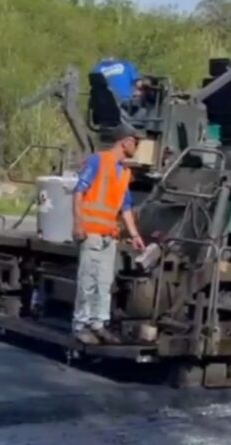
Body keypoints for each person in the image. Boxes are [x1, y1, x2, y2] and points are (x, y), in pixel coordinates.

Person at [72, 124, 146, 345]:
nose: (138, 147)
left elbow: (125, 208)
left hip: (109, 237)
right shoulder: (98, 161)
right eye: (136, 142)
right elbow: (79, 192)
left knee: (104, 283)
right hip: (92, 233)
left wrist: (134, 235)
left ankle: (98, 324)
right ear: (125, 142)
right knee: (88, 281)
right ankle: (81, 324)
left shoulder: (124, 172)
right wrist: (78, 224)